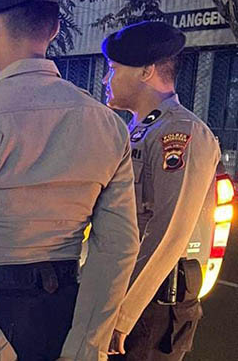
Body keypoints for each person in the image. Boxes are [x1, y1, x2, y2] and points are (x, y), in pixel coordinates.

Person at [0, 0, 140, 361]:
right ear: (55, 29)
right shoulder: (105, 124)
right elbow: (118, 247)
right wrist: (86, 344)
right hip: (66, 315)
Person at [102, 21, 220, 360]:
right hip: (128, 296)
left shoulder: (180, 133)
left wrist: (124, 314)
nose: (106, 79)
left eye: (114, 69)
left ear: (146, 72)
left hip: (151, 309)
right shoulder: (140, 130)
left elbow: (169, 231)